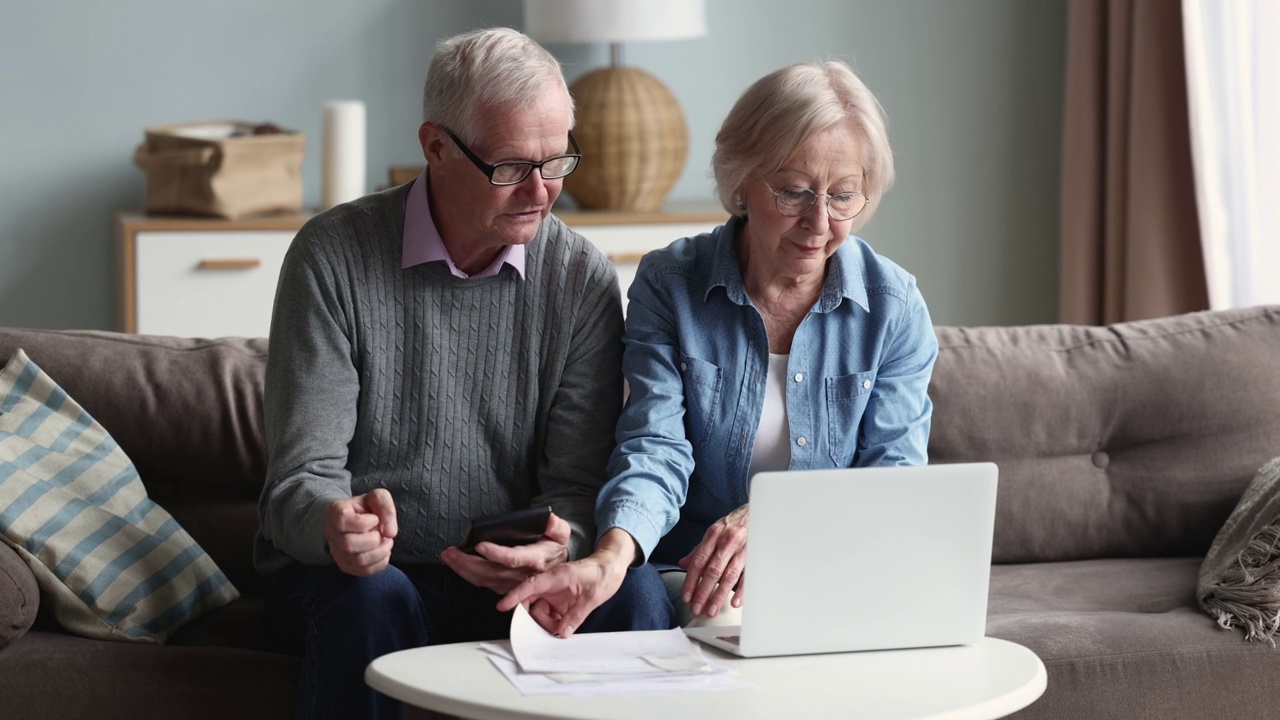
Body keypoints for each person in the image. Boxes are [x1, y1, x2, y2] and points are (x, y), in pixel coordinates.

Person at [254, 27, 673, 720]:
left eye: (558, 160)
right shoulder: (331, 257)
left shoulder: (580, 278)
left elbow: (574, 484)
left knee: (637, 593)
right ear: (437, 147)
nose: (543, 192)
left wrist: (556, 541)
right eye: (512, 167)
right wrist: (338, 527)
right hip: (360, 580)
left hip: (511, 582)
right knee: (375, 596)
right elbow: (298, 483)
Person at [500, 60, 938, 635]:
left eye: (844, 196)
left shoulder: (894, 307)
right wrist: (611, 556)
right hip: (699, 576)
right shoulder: (671, 284)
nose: (819, 221)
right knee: (722, 624)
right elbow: (654, 445)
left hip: (836, 567)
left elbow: (895, 483)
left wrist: (779, 519)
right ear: (742, 181)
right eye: (795, 192)